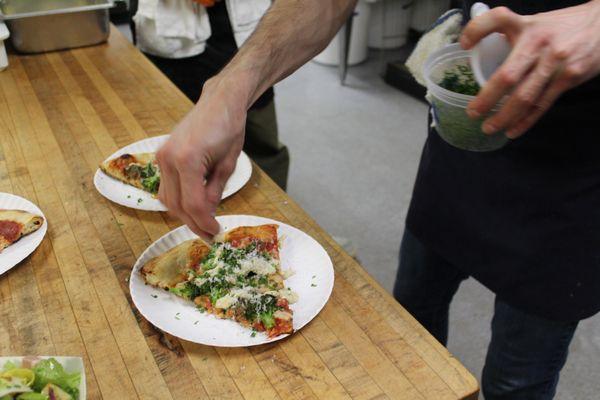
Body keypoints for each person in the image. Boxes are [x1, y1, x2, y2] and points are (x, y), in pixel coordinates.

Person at [153, 0, 600, 398]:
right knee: (409, 326)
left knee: (515, 381)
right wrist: (232, 86)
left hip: (575, 173)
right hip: (458, 124)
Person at [130, 0, 289, 190]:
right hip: (167, 30)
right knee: (165, 131)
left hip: (240, 27)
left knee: (259, 138)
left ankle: (270, 204)